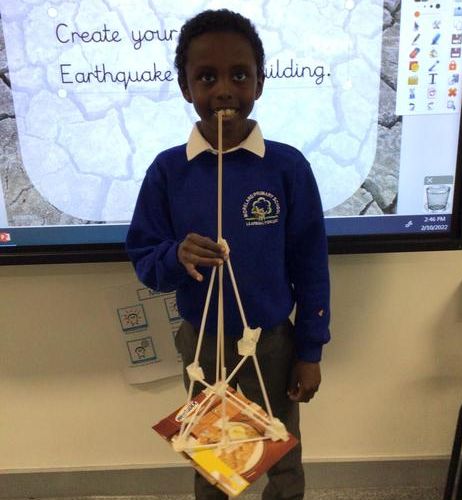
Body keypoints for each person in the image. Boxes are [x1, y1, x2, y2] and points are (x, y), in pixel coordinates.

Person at [126, 9, 330, 500]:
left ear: (259, 82)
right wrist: (176, 256)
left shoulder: (286, 167)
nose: (223, 90)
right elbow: (146, 259)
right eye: (206, 77)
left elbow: (311, 265)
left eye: (239, 75)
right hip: (202, 344)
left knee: (281, 453)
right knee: (216, 461)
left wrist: (310, 351)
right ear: (185, 87)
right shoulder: (168, 171)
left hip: (274, 343)